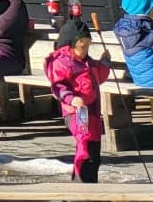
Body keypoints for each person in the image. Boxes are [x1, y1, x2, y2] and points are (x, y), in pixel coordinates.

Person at [44, 17, 112, 181]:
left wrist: (104, 62)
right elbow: (58, 86)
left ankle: (87, 182)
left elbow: (99, 77)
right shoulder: (62, 62)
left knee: (94, 152)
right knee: (85, 145)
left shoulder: (88, 62)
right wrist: (71, 98)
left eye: (88, 46)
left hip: (92, 111)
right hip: (75, 112)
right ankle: (84, 183)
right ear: (70, 45)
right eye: (82, 46)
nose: (85, 50)